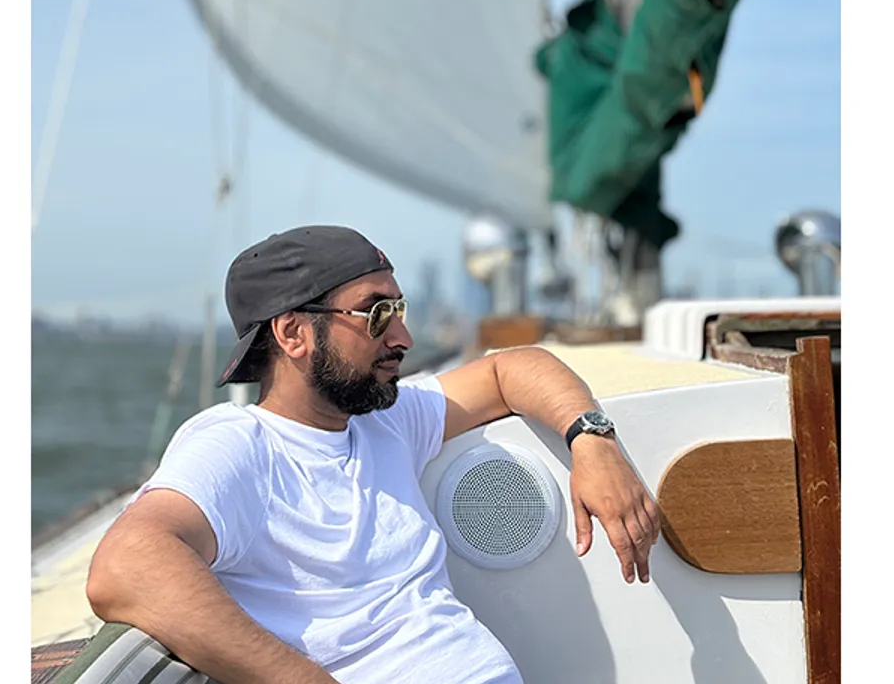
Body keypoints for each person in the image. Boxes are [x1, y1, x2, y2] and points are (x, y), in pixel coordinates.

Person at [84, 225, 661, 684]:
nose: (403, 338)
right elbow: (127, 566)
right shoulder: (239, 445)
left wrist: (592, 439)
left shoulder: (386, 421)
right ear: (292, 334)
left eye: (401, 310)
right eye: (376, 314)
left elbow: (511, 368)